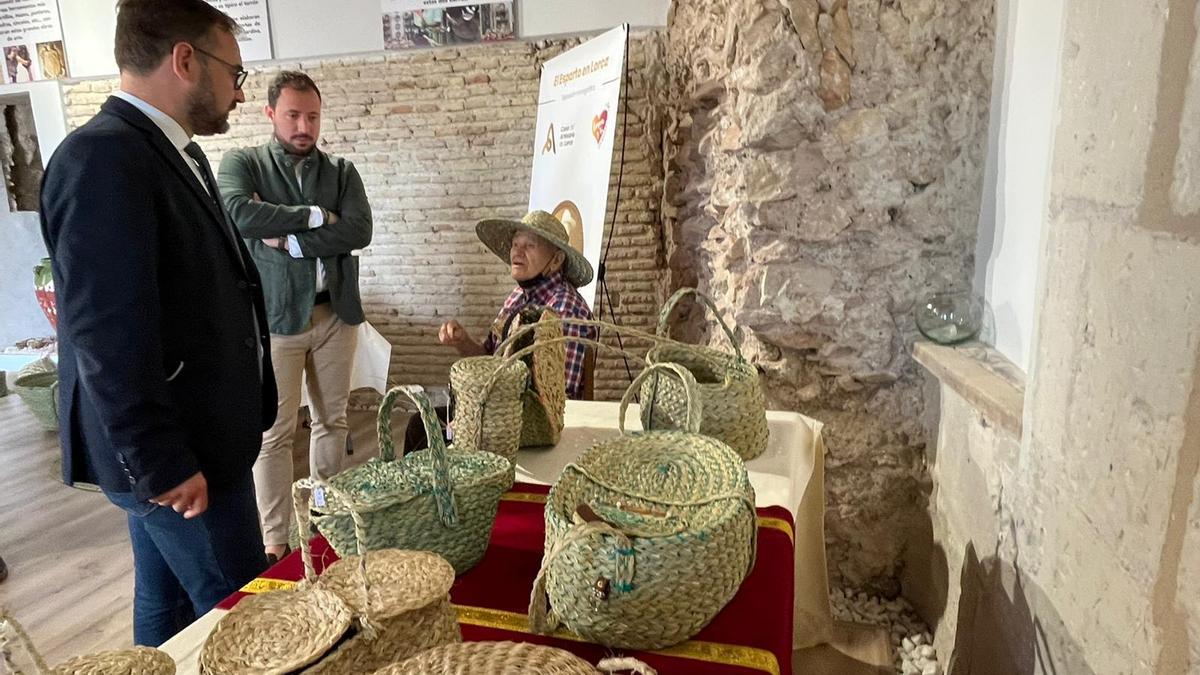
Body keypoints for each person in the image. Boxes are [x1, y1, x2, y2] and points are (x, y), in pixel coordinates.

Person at [39, 0, 274, 647]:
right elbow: (106, 335)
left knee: (166, 604)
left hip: (193, 440)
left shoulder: (173, 154)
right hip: (177, 452)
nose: (238, 89)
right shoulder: (103, 159)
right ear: (186, 59)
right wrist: (161, 459)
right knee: (241, 617)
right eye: (235, 71)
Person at [218, 71, 373, 565]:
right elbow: (239, 214)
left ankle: (326, 519)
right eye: (293, 115)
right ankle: (276, 541)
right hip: (277, 318)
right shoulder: (243, 162)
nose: (304, 125)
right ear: (270, 114)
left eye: (312, 115)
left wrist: (288, 237)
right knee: (276, 432)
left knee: (333, 421)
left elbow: (359, 230)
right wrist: (314, 216)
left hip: (336, 315)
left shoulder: (342, 171)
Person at [419, 211, 595, 451]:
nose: (516, 252)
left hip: (535, 425)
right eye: (515, 244)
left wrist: (477, 420)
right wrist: (462, 341)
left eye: (529, 245)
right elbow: (489, 358)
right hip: (501, 409)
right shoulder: (518, 297)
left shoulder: (565, 309)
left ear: (556, 260)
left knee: (424, 434)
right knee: (419, 424)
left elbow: (554, 396)